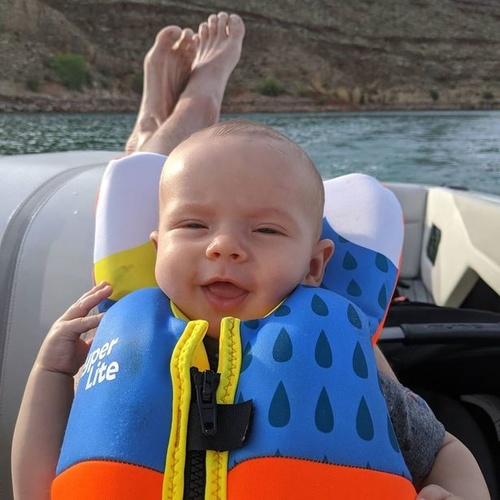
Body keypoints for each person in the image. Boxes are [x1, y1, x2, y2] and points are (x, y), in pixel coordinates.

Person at [11, 12, 489, 500]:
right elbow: (38, 485)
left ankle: (164, 121)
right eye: (193, 226)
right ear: (157, 251)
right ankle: (171, 115)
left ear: (314, 266)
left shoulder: (346, 355)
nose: (223, 246)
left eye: (264, 230)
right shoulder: (119, 348)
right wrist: (50, 374)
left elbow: (442, 450)